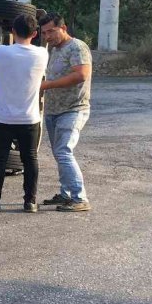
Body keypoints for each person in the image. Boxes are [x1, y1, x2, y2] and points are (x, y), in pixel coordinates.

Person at [0, 14, 48, 213]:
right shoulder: (42, 54)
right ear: (35, 34)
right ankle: (30, 201)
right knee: (30, 158)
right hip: (29, 116)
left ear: (12, 32)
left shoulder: (1, 51)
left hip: (2, 115)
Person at [39, 12, 93, 212]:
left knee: (63, 151)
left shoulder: (77, 47)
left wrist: (48, 85)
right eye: (44, 33)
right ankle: (66, 194)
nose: (47, 37)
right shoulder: (54, 50)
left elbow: (81, 74)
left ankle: (80, 198)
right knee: (59, 153)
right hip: (54, 110)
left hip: (73, 109)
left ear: (64, 28)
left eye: (51, 31)